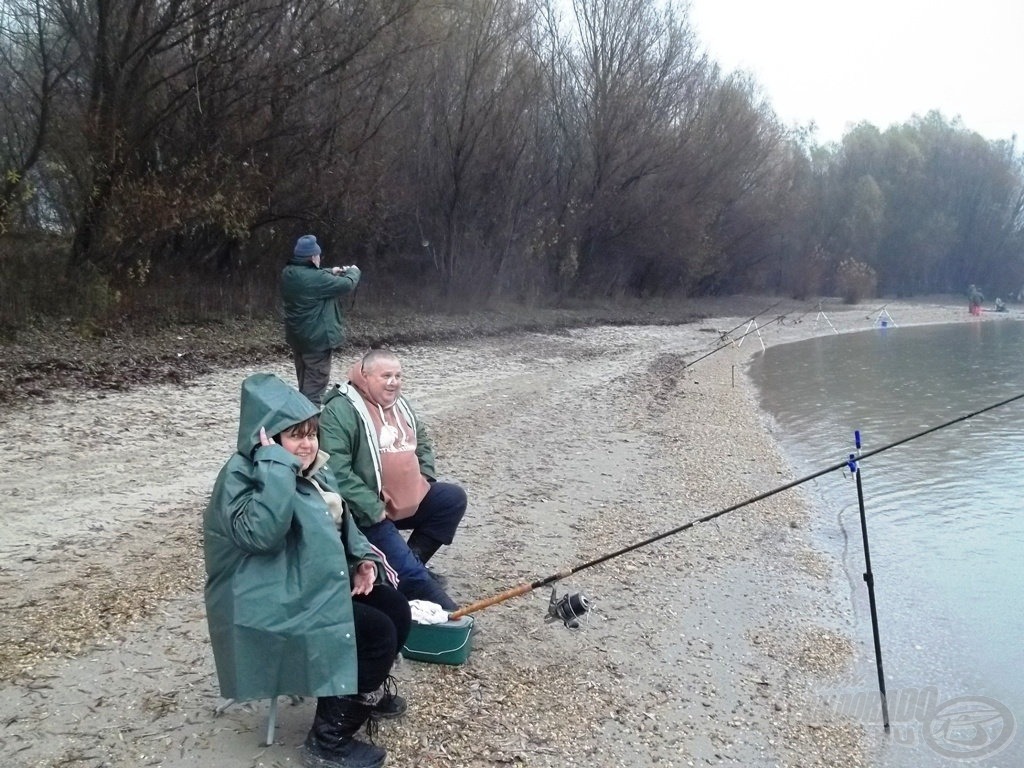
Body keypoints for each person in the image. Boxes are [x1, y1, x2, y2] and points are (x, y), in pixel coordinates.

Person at [204, 373, 410, 768]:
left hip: (313, 579)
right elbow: (261, 536)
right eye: (294, 435)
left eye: (311, 434)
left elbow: (340, 524)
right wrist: (275, 467)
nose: (307, 444)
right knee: (374, 633)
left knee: (395, 609)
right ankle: (328, 740)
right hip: (269, 596)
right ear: (266, 438)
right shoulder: (240, 476)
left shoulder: (315, 468)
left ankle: (363, 692)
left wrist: (361, 562)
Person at [319, 350, 466, 612]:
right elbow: (336, 472)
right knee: (411, 573)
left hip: (403, 501)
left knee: (451, 499)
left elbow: (423, 442)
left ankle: (408, 564)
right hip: (366, 512)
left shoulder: (400, 404)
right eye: (386, 375)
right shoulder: (339, 411)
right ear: (364, 377)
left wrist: (423, 478)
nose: (394, 382)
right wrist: (372, 509)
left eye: (398, 376)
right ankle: (452, 616)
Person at [280, 234, 361, 406]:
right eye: (317, 255)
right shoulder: (316, 279)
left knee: (305, 385)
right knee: (315, 389)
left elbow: (313, 275)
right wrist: (354, 271)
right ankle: (308, 428)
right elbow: (346, 284)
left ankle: (300, 421)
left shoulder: (288, 273)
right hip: (317, 340)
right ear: (313, 257)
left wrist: (330, 271)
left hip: (299, 339)